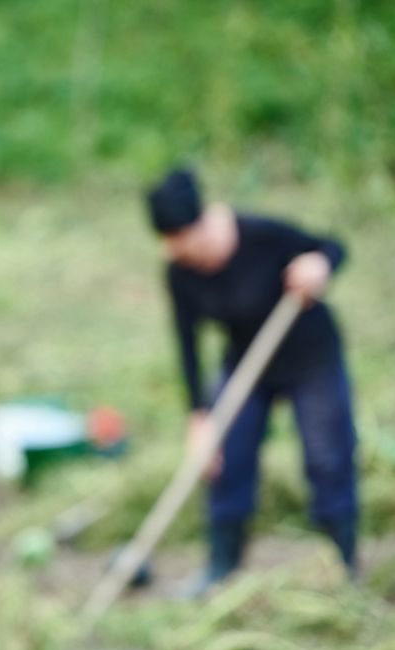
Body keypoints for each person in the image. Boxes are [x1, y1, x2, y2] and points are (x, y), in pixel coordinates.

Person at [146, 167, 358, 590]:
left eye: (180, 241)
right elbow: (187, 344)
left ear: (199, 223)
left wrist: (318, 264)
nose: (175, 251)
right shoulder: (178, 271)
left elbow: (332, 247)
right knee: (225, 459)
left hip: (309, 356)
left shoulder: (260, 235)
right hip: (247, 366)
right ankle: (221, 567)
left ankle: (342, 564)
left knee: (327, 457)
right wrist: (199, 416)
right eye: (168, 244)